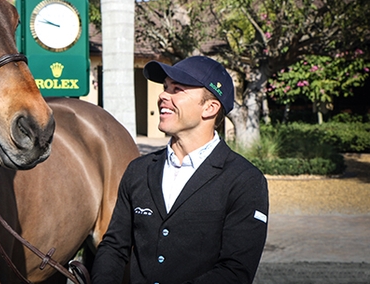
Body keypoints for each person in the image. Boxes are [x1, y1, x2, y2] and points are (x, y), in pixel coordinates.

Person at [91, 56, 269, 284]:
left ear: (210, 108)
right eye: (165, 87)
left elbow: (235, 272)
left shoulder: (245, 181)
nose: (163, 95)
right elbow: (114, 246)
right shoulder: (139, 170)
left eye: (178, 89)